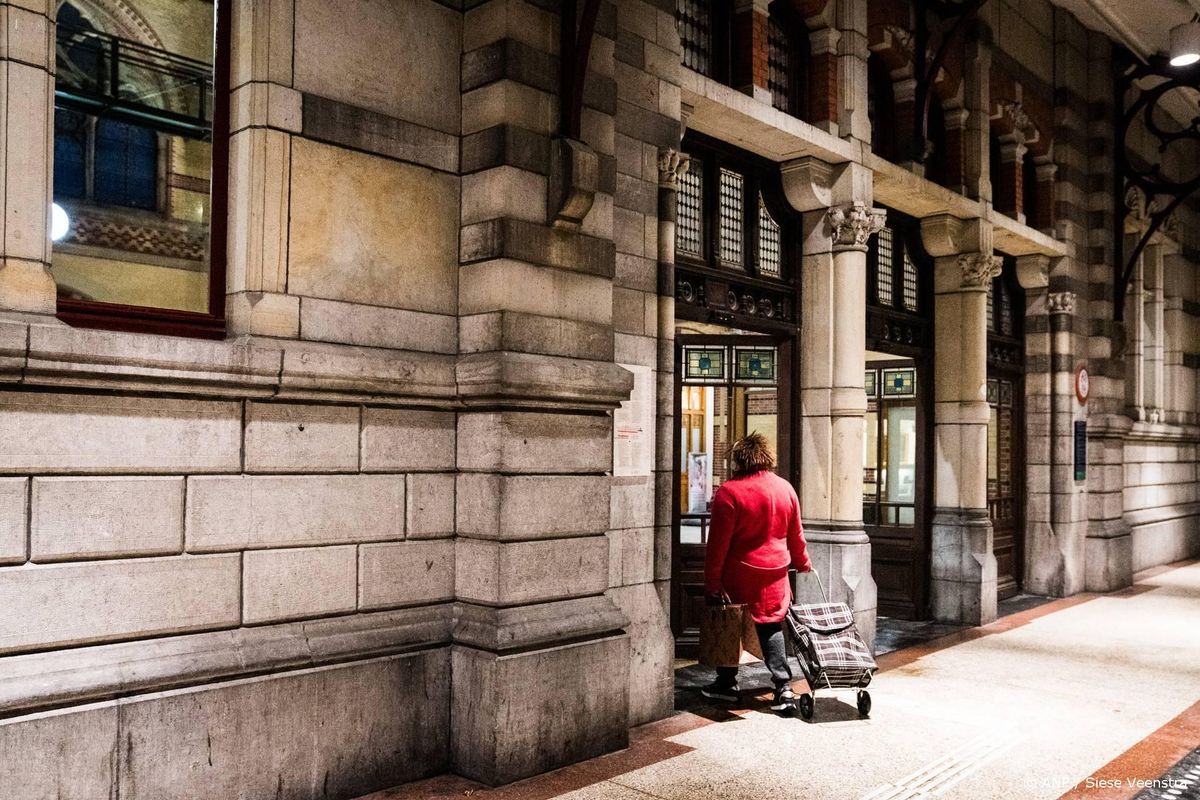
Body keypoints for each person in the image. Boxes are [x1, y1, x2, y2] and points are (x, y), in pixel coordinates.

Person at [700, 432, 811, 714]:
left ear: (738, 460)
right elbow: (795, 533)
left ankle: (726, 684)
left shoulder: (729, 493)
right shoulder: (785, 488)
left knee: (731, 623)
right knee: (771, 625)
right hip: (776, 572)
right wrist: (803, 561)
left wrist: (712, 582)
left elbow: (718, 545)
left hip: (740, 574)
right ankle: (783, 688)